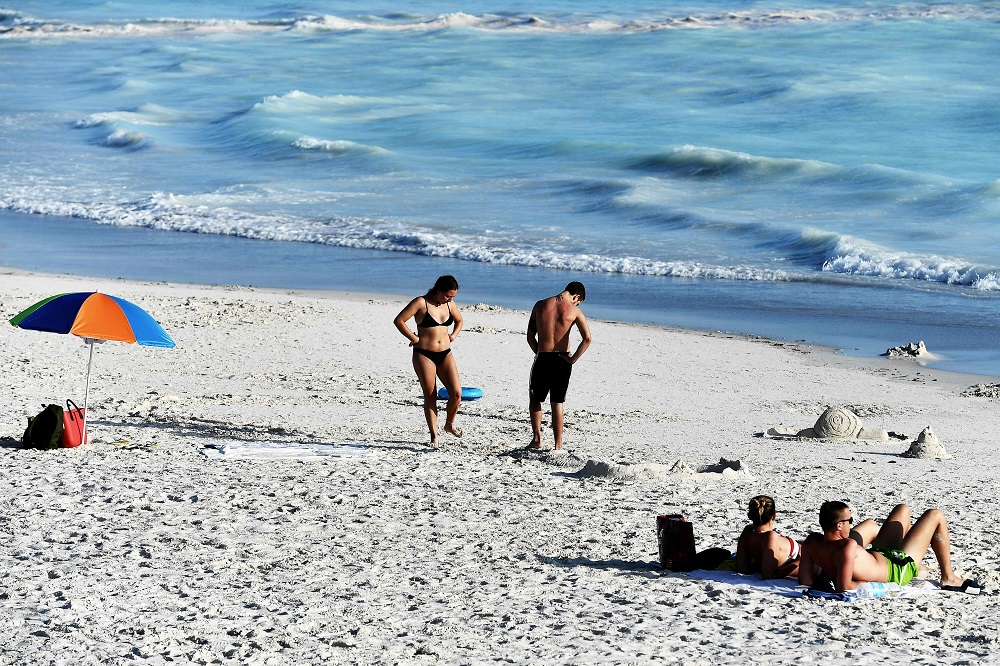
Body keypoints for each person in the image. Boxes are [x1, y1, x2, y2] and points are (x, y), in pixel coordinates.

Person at [798, 501, 979, 593]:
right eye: (849, 521)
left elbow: (805, 580)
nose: (851, 525)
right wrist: (872, 583)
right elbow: (844, 586)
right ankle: (948, 577)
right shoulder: (848, 545)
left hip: (880, 554)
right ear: (839, 526)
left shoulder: (812, 542)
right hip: (897, 569)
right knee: (935, 515)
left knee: (902, 509)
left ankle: (919, 562)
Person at [393, 275, 464, 447]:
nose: (450, 299)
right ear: (438, 290)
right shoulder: (420, 302)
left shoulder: (450, 304)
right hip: (424, 354)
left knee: (456, 393)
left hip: (445, 353)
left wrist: (453, 335)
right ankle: (434, 435)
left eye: (453, 296)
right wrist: (413, 338)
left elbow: (459, 320)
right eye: (448, 295)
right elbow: (399, 320)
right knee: (430, 395)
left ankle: (449, 425)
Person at [526, 281, 592, 450]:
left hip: (543, 358)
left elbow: (530, 336)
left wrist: (539, 353)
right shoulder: (575, 311)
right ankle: (558, 446)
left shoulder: (540, 305)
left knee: (535, 399)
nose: (576, 304)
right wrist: (573, 359)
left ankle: (537, 439)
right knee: (557, 402)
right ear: (576, 296)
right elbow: (587, 339)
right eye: (577, 301)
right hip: (563, 360)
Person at [736, 496, 803, 579]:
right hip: (812, 560)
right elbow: (769, 575)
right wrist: (799, 561)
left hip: (799, 548)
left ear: (749, 516)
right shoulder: (770, 537)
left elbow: (742, 568)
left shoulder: (747, 533)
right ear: (774, 516)